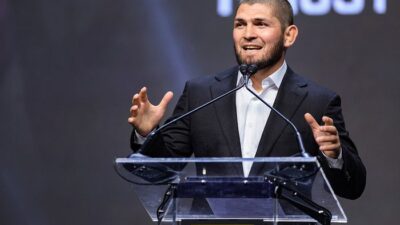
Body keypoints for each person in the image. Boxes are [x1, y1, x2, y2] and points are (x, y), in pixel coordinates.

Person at [128, 0, 366, 200]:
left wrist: (334, 156)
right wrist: (147, 134)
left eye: (260, 24)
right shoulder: (201, 93)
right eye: (240, 25)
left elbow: (352, 187)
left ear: (289, 35)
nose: (248, 34)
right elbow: (162, 169)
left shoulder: (317, 102)